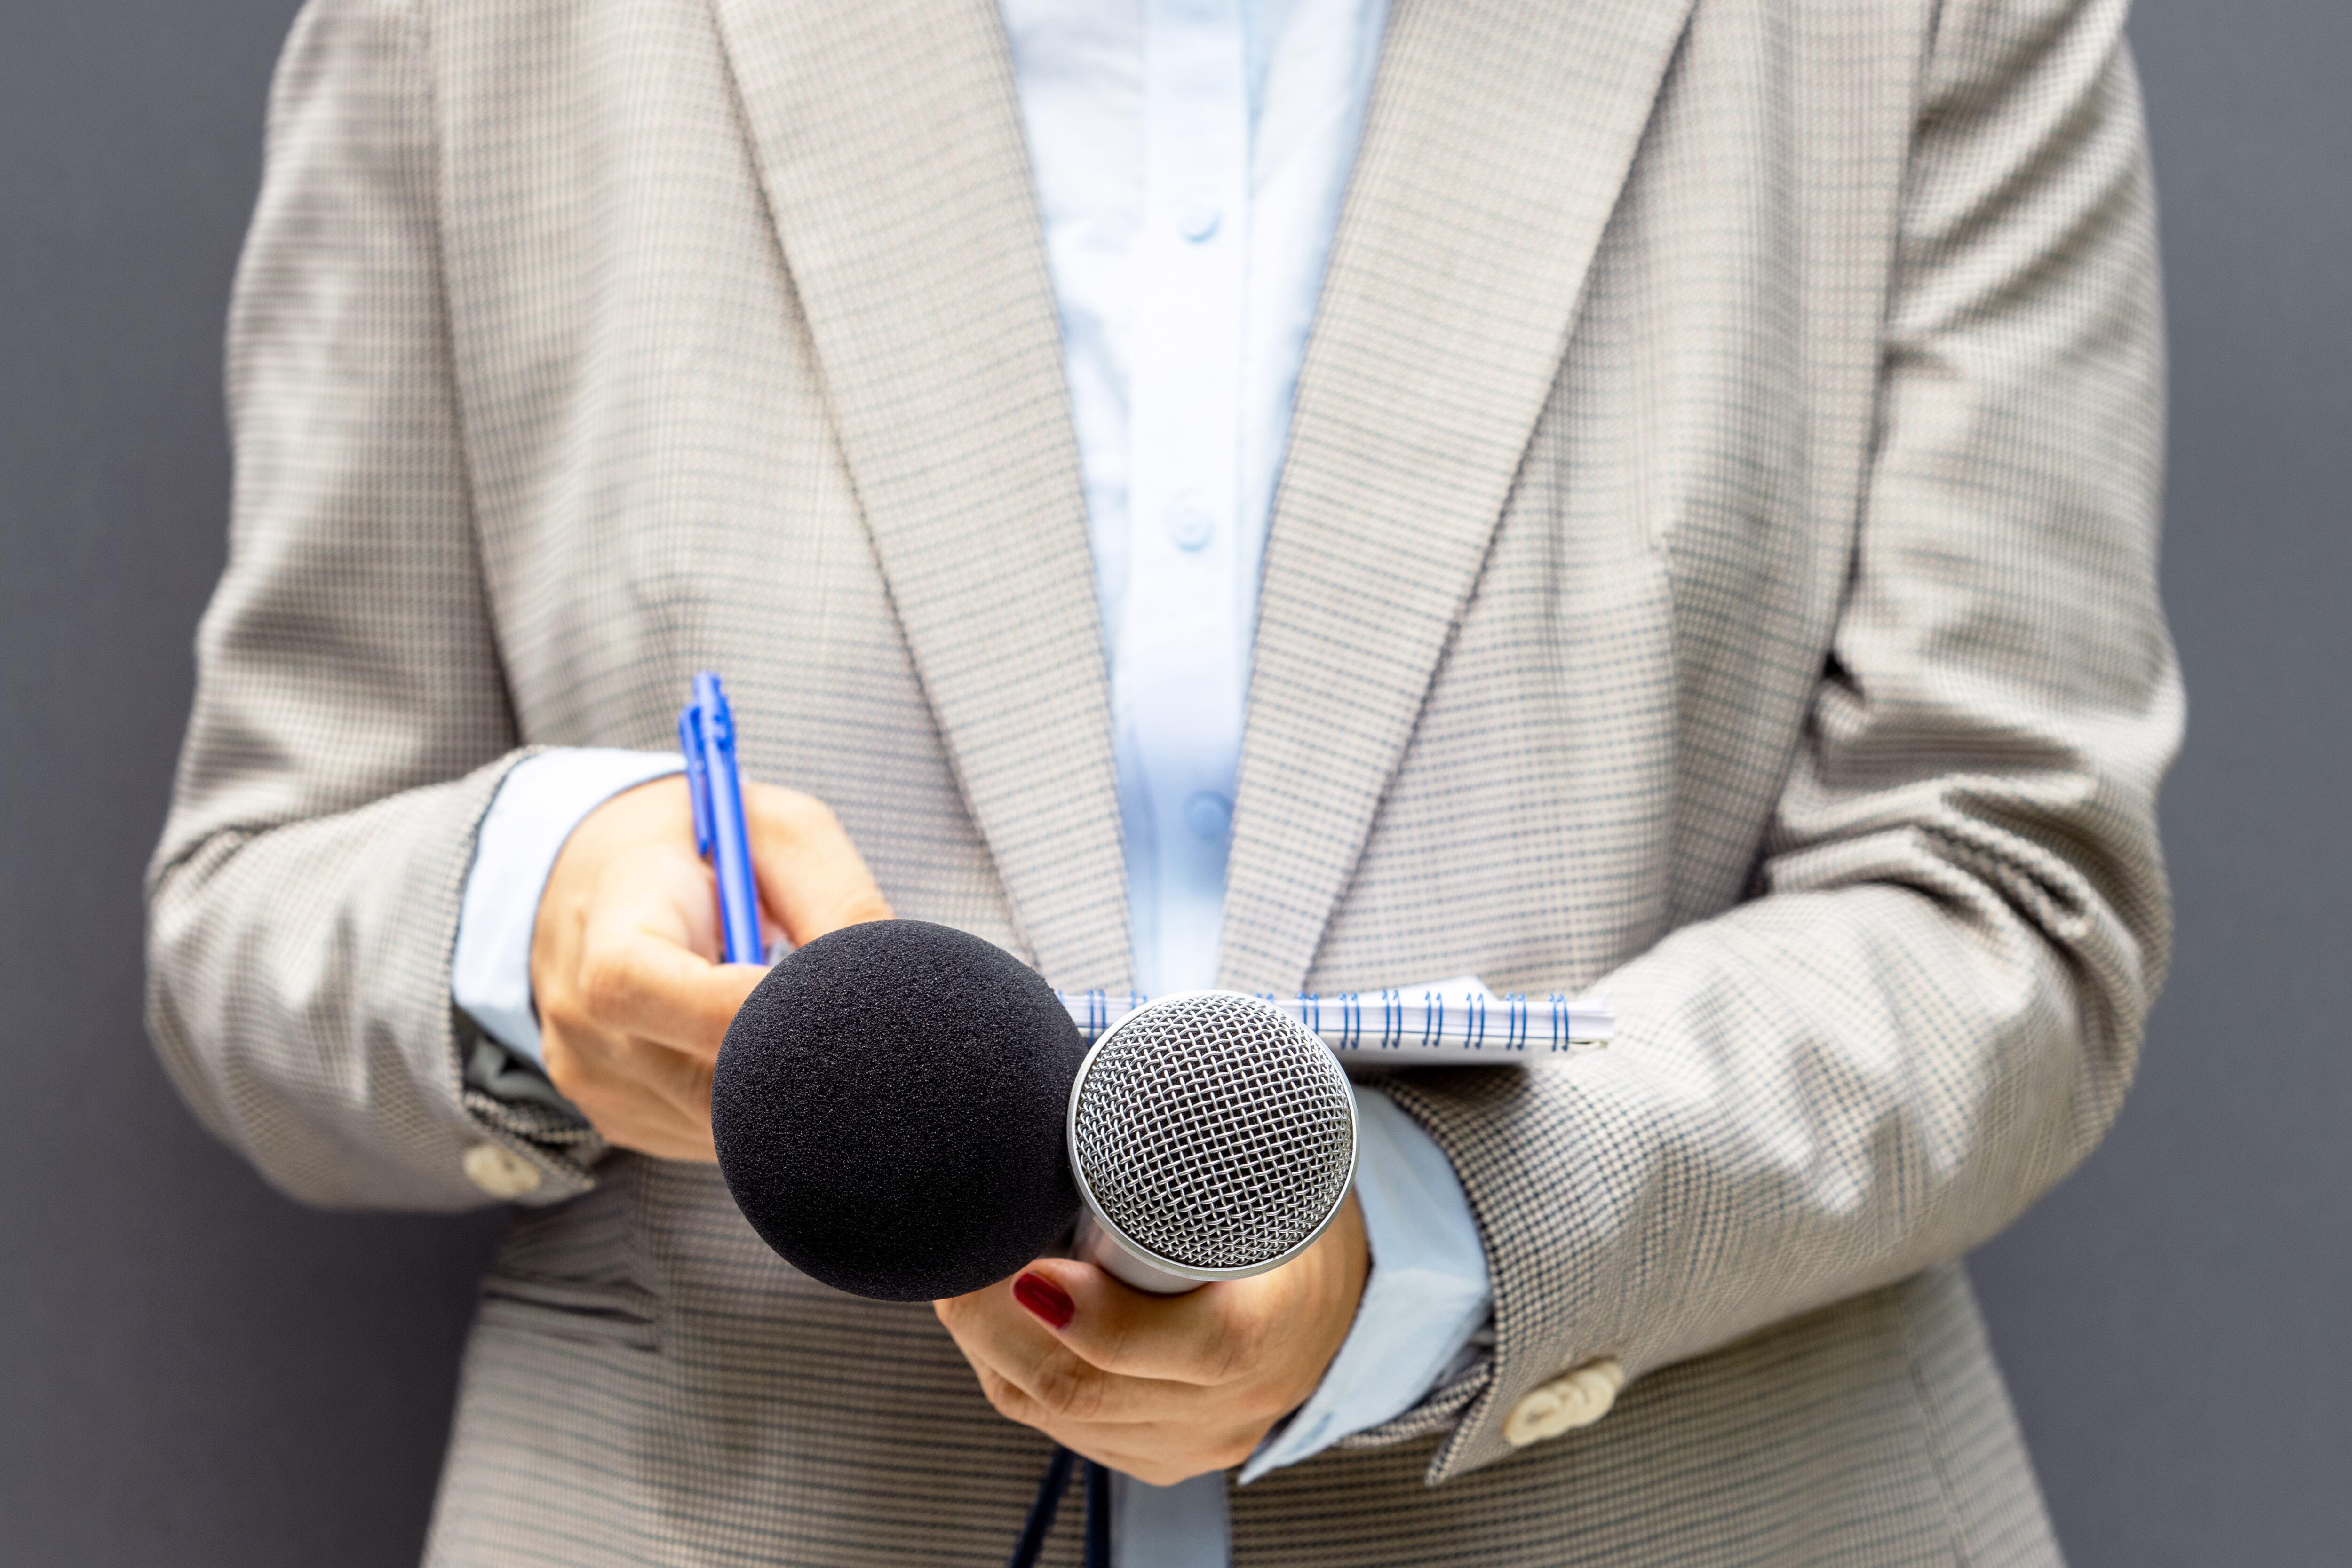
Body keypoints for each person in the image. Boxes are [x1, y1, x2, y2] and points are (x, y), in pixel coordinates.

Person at [144, 0, 2179, 1562]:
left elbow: (2001, 896)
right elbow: (252, 917)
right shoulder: (474, 36)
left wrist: (1427, 1240)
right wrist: (535, 917)